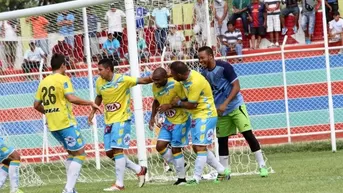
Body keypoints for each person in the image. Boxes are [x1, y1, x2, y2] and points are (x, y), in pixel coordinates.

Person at [33, 54, 101, 193]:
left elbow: (36, 105)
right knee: (80, 154)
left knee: (71, 153)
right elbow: (70, 97)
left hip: (53, 125)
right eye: (66, 65)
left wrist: (49, 112)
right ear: (63, 65)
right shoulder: (64, 79)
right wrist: (90, 102)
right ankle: (68, 189)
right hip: (66, 123)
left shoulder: (44, 81)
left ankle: (72, 188)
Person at [197, 46, 269, 177]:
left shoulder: (225, 67)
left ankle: (262, 166)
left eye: (202, 58)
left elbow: (237, 86)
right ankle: (225, 171)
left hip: (236, 106)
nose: (200, 60)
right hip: (220, 112)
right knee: (222, 140)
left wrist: (225, 103)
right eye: (199, 58)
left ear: (211, 56)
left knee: (248, 135)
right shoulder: (203, 73)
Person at [88, 58, 153, 191]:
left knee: (118, 150)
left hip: (122, 119)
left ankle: (119, 184)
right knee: (110, 152)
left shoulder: (123, 79)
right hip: (109, 121)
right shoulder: (99, 82)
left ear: (108, 69)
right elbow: (99, 96)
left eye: (100, 70)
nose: (98, 72)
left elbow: (143, 80)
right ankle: (139, 169)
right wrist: (92, 112)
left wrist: (162, 76)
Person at [169, 61, 230, 185]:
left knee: (200, 147)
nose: (172, 75)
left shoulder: (195, 82)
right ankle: (222, 170)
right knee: (197, 147)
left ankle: (196, 178)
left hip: (206, 115)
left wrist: (178, 103)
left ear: (180, 74)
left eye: (173, 74)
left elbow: (192, 104)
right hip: (198, 115)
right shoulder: (184, 79)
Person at [148, 67, 191, 185]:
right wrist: (152, 117)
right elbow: (156, 101)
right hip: (169, 120)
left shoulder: (176, 85)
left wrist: (170, 106)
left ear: (165, 77)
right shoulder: (155, 86)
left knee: (176, 148)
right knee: (160, 146)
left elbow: (188, 103)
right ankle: (184, 165)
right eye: (154, 80)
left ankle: (182, 179)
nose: (155, 82)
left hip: (181, 119)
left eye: (157, 80)